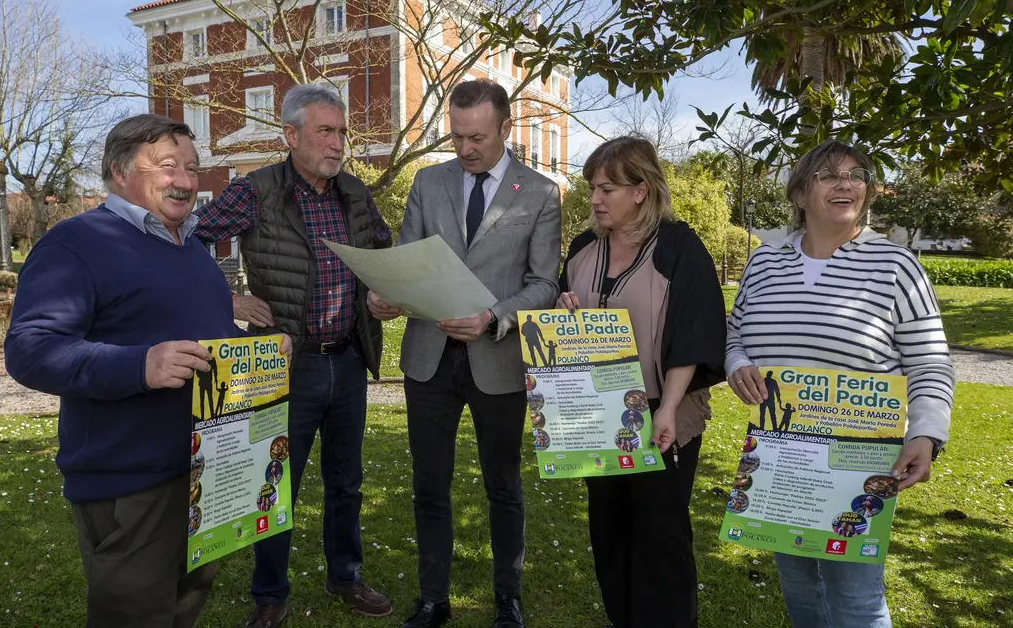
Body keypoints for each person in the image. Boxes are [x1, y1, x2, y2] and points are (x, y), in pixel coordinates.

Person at [4, 114, 289, 628]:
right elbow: (29, 349)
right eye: (167, 166)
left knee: (185, 605)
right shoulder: (76, 243)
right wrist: (140, 365)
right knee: (134, 615)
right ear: (119, 171)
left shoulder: (193, 251)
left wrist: (258, 353)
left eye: (192, 167)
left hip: (207, 472)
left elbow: (203, 343)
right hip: (129, 484)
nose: (185, 180)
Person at [725, 139, 955, 628]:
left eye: (857, 175)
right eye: (828, 175)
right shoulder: (765, 263)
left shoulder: (897, 266)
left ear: (868, 191)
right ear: (800, 192)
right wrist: (737, 363)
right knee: (799, 586)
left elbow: (931, 361)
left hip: (857, 456)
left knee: (856, 598)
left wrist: (927, 434)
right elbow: (734, 332)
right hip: (781, 454)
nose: (845, 183)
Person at [194, 85, 394, 627]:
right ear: (291, 135)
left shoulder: (354, 193)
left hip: (349, 358)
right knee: (276, 477)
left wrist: (384, 295)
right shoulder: (257, 190)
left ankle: (345, 575)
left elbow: (383, 254)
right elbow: (186, 237)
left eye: (343, 133)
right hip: (286, 363)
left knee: (346, 480)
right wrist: (226, 297)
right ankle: (270, 594)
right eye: (326, 132)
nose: (338, 144)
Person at [368, 79, 561, 628]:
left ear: (505, 127)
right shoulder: (428, 183)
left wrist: (493, 317)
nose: (465, 147)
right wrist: (387, 296)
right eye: (456, 136)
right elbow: (406, 259)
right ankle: (433, 599)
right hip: (428, 358)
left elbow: (544, 283)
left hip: (497, 359)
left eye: (476, 137)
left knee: (503, 484)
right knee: (429, 483)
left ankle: (508, 598)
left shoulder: (542, 193)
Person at [555, 136, 726, 628]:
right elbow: (570, 330)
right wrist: (567, 313)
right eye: (592, 187)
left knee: (659, 534)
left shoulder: (679, 247)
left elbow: (692, 333)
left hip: (659, 412)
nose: (594, 198)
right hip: (598, 415)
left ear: (642, 190)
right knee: (609, 530)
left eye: (607, 187)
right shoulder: (584, 248)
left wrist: (669, 408)